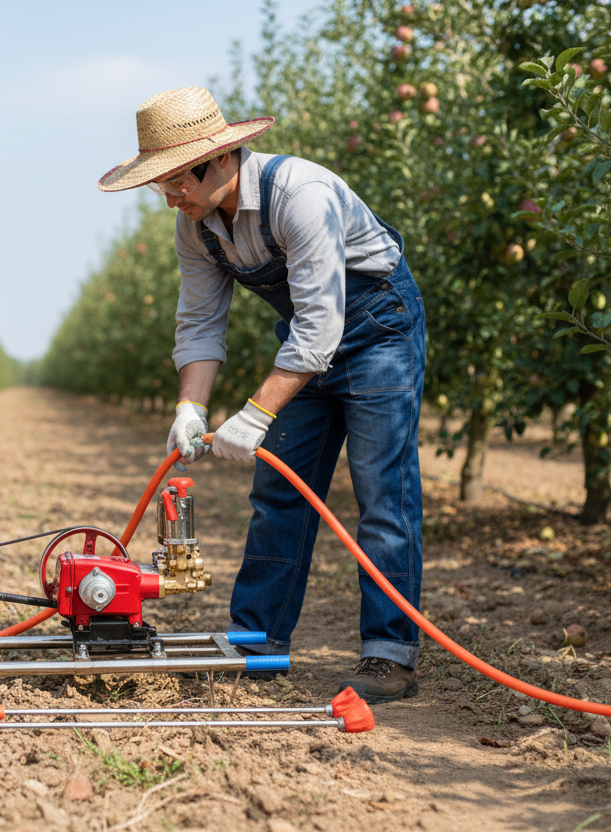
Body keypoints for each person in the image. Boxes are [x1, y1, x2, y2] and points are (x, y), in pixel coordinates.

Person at [97, 87, 426, 703]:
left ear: (222, 160)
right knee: (279, 493)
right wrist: (189, 406)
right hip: (305, 347)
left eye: (177, 180)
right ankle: (256, 642)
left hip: (378, 330)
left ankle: (390, 654)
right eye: (160, 185)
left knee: (382, 491)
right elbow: (199, 322)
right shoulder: (195, 227)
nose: (171, 196)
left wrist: (255, 413)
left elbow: (322, 323)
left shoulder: (301, 196)